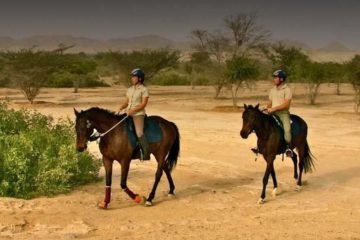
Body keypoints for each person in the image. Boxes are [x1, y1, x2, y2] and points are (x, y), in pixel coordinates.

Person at [119, 68, 150, 160]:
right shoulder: (129, 89)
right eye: (132, 77)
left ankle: (146, 153)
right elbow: (126, 103)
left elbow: (143, 104)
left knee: (139, 132)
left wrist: (133, 111)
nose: (132, 78)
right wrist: (120, 108)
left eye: (134, 77)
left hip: (138, 114)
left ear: (140, 78)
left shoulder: (144, 90)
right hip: (127, 112)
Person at [267, 69, 293, 157]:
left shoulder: (287, 90)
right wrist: (266, 108)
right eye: (274, 77)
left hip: (283, 114)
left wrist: (274, 108)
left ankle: (288, 148)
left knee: (287, 129)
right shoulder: (272, 90)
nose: (274, 79)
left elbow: (286, 105)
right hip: (272, 112)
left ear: (281, 79)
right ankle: (260, 146)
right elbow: (270, 102)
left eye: (276, 77)